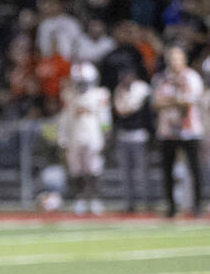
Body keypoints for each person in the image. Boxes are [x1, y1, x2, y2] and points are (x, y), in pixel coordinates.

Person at [152, 45, 204, 217]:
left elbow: (190, 102)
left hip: (189, 130)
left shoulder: (191, 77)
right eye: (171, 58)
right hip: (167, 130)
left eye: (177, 58)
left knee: (194, 169)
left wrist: (170, 101)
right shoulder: (162, 78)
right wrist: (175, 101)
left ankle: (197, 206)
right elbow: (156, 103)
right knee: (167, 170)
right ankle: (171, 207)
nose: (173, 62)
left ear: (184, 59)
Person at [57, 62, 111, 214]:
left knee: (93, 168)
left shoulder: (100, 94)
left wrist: (106, 133)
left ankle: (94, 199)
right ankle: (80, 198)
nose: (80, 85)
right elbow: (65, 118)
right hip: (75, 136)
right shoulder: (69, 95)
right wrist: (63, 138)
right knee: (77, 170)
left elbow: (105, 117)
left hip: (93, 136)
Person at [112, 67, 154, 213]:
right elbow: (120, 110)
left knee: (142, 172)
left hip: (139, 134)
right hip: (124, 134)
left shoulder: (142, 88)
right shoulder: (119, 89)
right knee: (126, 173)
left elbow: (130, 108)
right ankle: (129, 203)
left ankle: (146, 202)